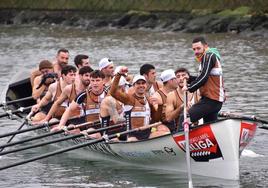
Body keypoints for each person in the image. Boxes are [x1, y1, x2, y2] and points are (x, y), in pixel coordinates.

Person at [110, 67, 170, 141]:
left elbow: (155, 119)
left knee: (166, 134)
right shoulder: (129, 99)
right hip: (132, 135)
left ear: (146, 85)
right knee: (132, 140)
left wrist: (160, 106)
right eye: (138, 83)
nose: (141, 85)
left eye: (143, 83)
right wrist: (119, 74)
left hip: (147, 133)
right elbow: (113, 92)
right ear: (134, 86)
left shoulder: (148, 99)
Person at [182, 36, 225, 124]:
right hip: (214, 101)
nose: (196, 52)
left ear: (205, 47)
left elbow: (204, 77)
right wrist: (189, 78)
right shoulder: (207, 58)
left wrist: (190, 87)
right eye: (194, 49)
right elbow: (205, 77)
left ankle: (178, 137)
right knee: (209, 125)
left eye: (198, 48)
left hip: (211, 101)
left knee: (185, 116)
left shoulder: (209, 55)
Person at [54, 70, 108, 138]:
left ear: (103, 81)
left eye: (97, 80)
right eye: (92, 81)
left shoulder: (109, 93)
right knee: (72, 129)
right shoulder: (84, 94)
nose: (95, 83)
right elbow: (69, 110)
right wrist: (61, 125)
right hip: (91, 127)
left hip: (108, 126)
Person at [100, 76, 128, 141]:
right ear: (122, 87)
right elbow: (117, 120)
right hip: (109, 133)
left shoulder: (123, 98)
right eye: (125, 87)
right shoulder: (109, 100)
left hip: (122, 130)